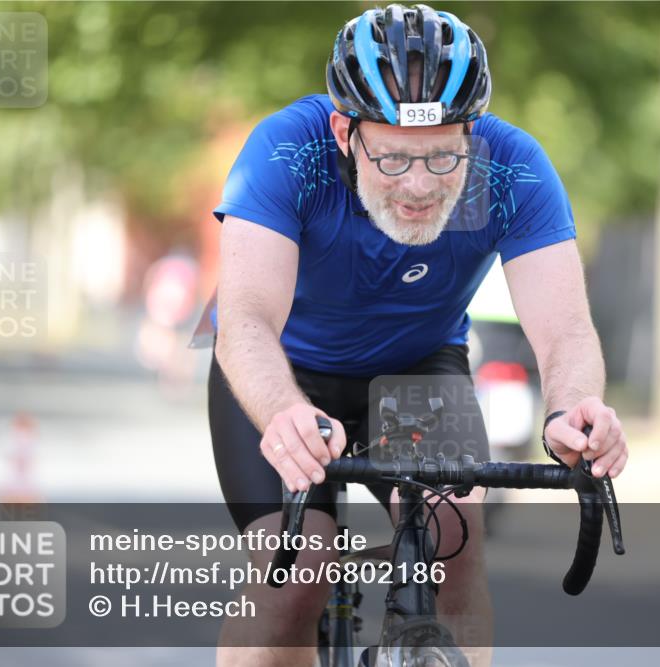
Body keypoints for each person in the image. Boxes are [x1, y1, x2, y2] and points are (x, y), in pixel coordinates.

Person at [207, 5, 629, 666]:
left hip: (416, 370)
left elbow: (567, 331)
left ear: (471, 134)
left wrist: (571, 410)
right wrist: (285, 411)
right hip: (284, 372)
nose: (419, 185)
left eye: (442, 156)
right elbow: (245, 321)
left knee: (455, 548)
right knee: (297, 575)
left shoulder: (511, 169)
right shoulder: (288, 152)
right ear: (345, 131)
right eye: (394, 157)